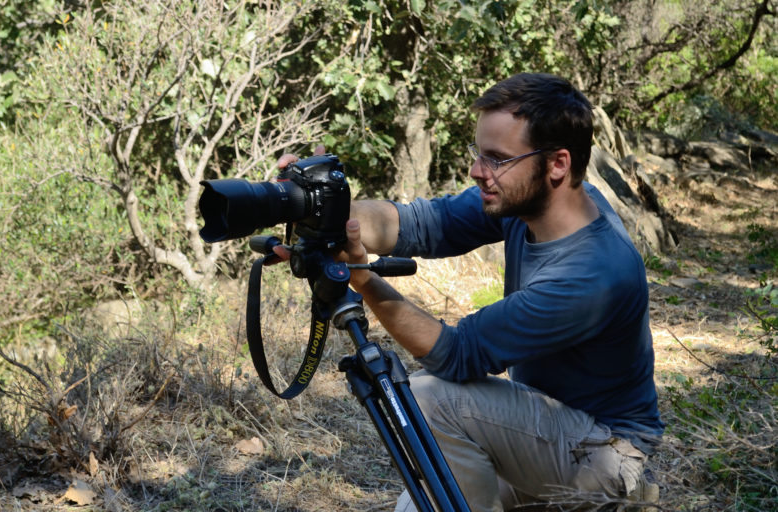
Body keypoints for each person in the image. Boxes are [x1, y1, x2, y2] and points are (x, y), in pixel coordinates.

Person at [277, 73, 663, 511]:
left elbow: (458, 354)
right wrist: (317, 211)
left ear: (557, 164)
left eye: (497, 159)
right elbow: (424, 224)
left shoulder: (594, 273)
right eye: (479, 153)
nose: (478, 171)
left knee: (428, 399)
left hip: (608, 460)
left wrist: (362, 278)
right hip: (547, 437)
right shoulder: (536, 202)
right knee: (416, 507)